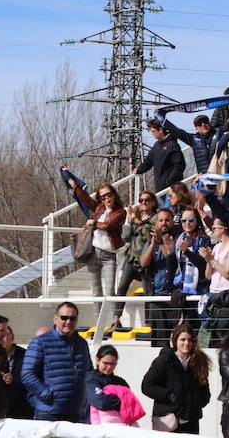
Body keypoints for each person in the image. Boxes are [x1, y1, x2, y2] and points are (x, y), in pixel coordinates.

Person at [21, 301, 93, 422]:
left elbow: (88, 371)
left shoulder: (82, 344)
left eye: (72, 318)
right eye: (64, 318)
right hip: (49, 411)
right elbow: (27, 374)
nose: (68, 322)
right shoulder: (40, 342)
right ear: (55, 319)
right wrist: (47, 395)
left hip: (75, 411)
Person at [70, 180, 126, 320]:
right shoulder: (99, 208)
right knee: (96, 292)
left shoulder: (120, 212)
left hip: (109, 256)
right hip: (93, 253)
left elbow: (108, 225)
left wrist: (93, 222)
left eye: (109, 195)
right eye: (103, 197)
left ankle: (115, 322)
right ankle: (99, 322)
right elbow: (85, 199)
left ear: (114, 195)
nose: (107, 199)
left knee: (109, 291)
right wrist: (73, 184)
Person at [142, 322, 212, 434]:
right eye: (183, 340)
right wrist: (170, 395)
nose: (186, 343)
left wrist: (195, 404)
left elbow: (205, 391)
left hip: (191, 421)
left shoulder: (198, 362)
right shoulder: (164, 361)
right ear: (175, 340)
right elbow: (147, 386)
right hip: (168, 421)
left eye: (190, 340)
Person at [113, 191, 158, 328]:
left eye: (147, 200)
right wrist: (130, 220)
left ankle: (148, 322)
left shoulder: (156, 218)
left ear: (153, 202)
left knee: (147, 290)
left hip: (147, 258)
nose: (144, 202)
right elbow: (126, 237)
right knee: (122, 287)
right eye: (141, 200)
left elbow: (149, 238)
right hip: (132, 257)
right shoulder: (136, 217)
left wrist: (140, 222)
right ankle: (116, 319)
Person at [141, 209, 180, 348]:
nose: (164, 223)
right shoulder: (151, 241)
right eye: (161, 220)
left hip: (173, 297)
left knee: (176, 340)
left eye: (167, 220)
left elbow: (172, 262)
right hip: (156, 297)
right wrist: (153, 243)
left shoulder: (177, 239)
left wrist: (162, 242)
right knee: (159, 341)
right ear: (156, 223)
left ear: (172, 222)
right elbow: (143, 263)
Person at [167, 207, 212, 327]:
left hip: (200, 287)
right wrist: (170, 252)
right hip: (184, 287)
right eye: (184, 220)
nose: (187, 223)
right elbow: (174, 265)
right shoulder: (179, 238)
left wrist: (187, 251)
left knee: (200, 324)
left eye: (191, 220)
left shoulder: (203, 239)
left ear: (197, 221)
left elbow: (203, 265)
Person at [86, 345, 141, 426]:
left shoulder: (120, 382)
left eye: (113, 364)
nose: (109, 367)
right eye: (106, 363)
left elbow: (130, 404)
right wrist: (122, 401)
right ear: (97, 360)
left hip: (120, 425)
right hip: (93, 425)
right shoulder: (90, 380)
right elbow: (101, 402)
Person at [134, 119, 186, 196]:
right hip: (160, 188)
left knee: (170, 208)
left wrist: (169, 181)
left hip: (172, 189)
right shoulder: (157, 145)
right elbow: (149, 160)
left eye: (153, 131)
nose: (152, 134)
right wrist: (139, 170)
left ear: (160, 130)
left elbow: (179, 165)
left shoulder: (173, 145)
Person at [202, 217, 229, 294]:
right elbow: (208, 276)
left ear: (222, 229)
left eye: (214, 228)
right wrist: (208, 260)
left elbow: (228, 274)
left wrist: (212, 260)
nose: (212, 230)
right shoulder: (216, 247)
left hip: (228, 292)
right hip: (213, 292)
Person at [2, 326, 34, 419]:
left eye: (4, 336)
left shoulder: (26, 355)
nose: (1, 340)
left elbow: (33, 379)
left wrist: (14, 380)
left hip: (22, 409)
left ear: (12, 337)